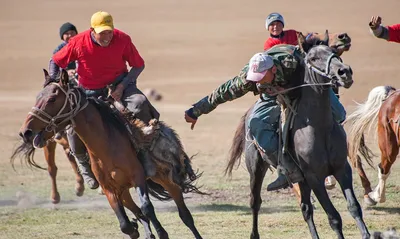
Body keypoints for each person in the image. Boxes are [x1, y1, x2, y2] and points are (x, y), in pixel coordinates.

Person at [49, 11, 160, 189]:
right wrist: (54, 81)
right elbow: (56, 60)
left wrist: (122, 87)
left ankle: (146, 155)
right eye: (102, 33)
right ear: (93, 30)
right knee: (73, 129)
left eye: (109, 31)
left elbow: (138, 65)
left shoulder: (122, 39)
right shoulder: (78, 42)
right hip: (89, 92)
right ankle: (85, 167)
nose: (107, 37)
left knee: (140, 103)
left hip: (119, 85)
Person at [185, 49, 318, 191]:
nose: (256, 79)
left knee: (335, 110)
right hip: (271, 94)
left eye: (260, 76)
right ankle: (289, 171)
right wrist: (196, 111)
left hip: (304, 86)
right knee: (256, 124)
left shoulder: (291, 63)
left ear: (273, 69)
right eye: (255, 76)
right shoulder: (248, 79)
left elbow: (316, 71)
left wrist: (289, 89)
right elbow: (223, 92)